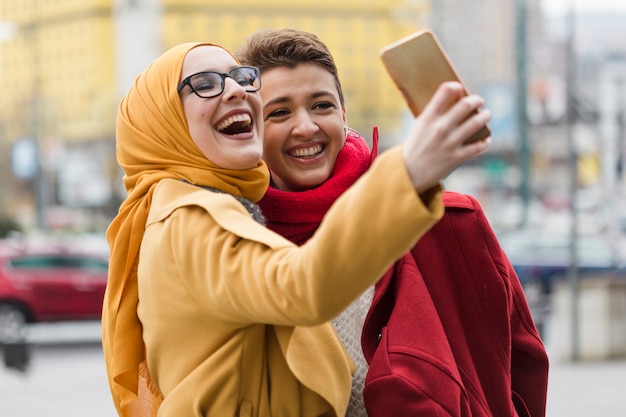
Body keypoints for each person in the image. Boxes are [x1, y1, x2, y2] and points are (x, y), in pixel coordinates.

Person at [102, 41, 491, 417]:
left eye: (240, 77)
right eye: (204, 84)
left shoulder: (208, 210)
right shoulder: (189, 216)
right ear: (163, 123)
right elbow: (302, 286)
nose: (235, 90)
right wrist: (408, 172)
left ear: (344, 114)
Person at [236, 28, 549, 417]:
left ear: (344, 115)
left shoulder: (449, 222)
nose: (306, 127)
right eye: (279, 112)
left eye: (321, 106)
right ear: (253, 130)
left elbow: (522, 365)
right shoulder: (240, 249)